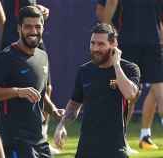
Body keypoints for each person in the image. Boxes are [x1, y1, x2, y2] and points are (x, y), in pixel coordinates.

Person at [0, 6, 64, 158]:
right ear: (19, 28)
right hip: (14, 141)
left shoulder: (43, 56)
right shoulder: (6, 57)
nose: (33, 31)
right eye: (28, 27)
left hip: (39, 139)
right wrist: (17, 91)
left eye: (37, 26)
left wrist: (54, 111)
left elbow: (39, 92)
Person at [54, 23, 140, 158]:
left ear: (113, 44)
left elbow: (130, 94)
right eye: (92, 43)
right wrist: (61, 125)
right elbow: (74, 104)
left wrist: (116, 65)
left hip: (115, 149)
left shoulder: (129, 69)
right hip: (86, 149)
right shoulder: (84, 71)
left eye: (101, 44)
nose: (95, 48)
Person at [99, 0, 163, 150]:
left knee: (131, 94)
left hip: (133, 42)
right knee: (146, 93)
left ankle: (118, 141)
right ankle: (118, 140)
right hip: (149, 41)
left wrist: (105, 33)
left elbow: (112, 3)